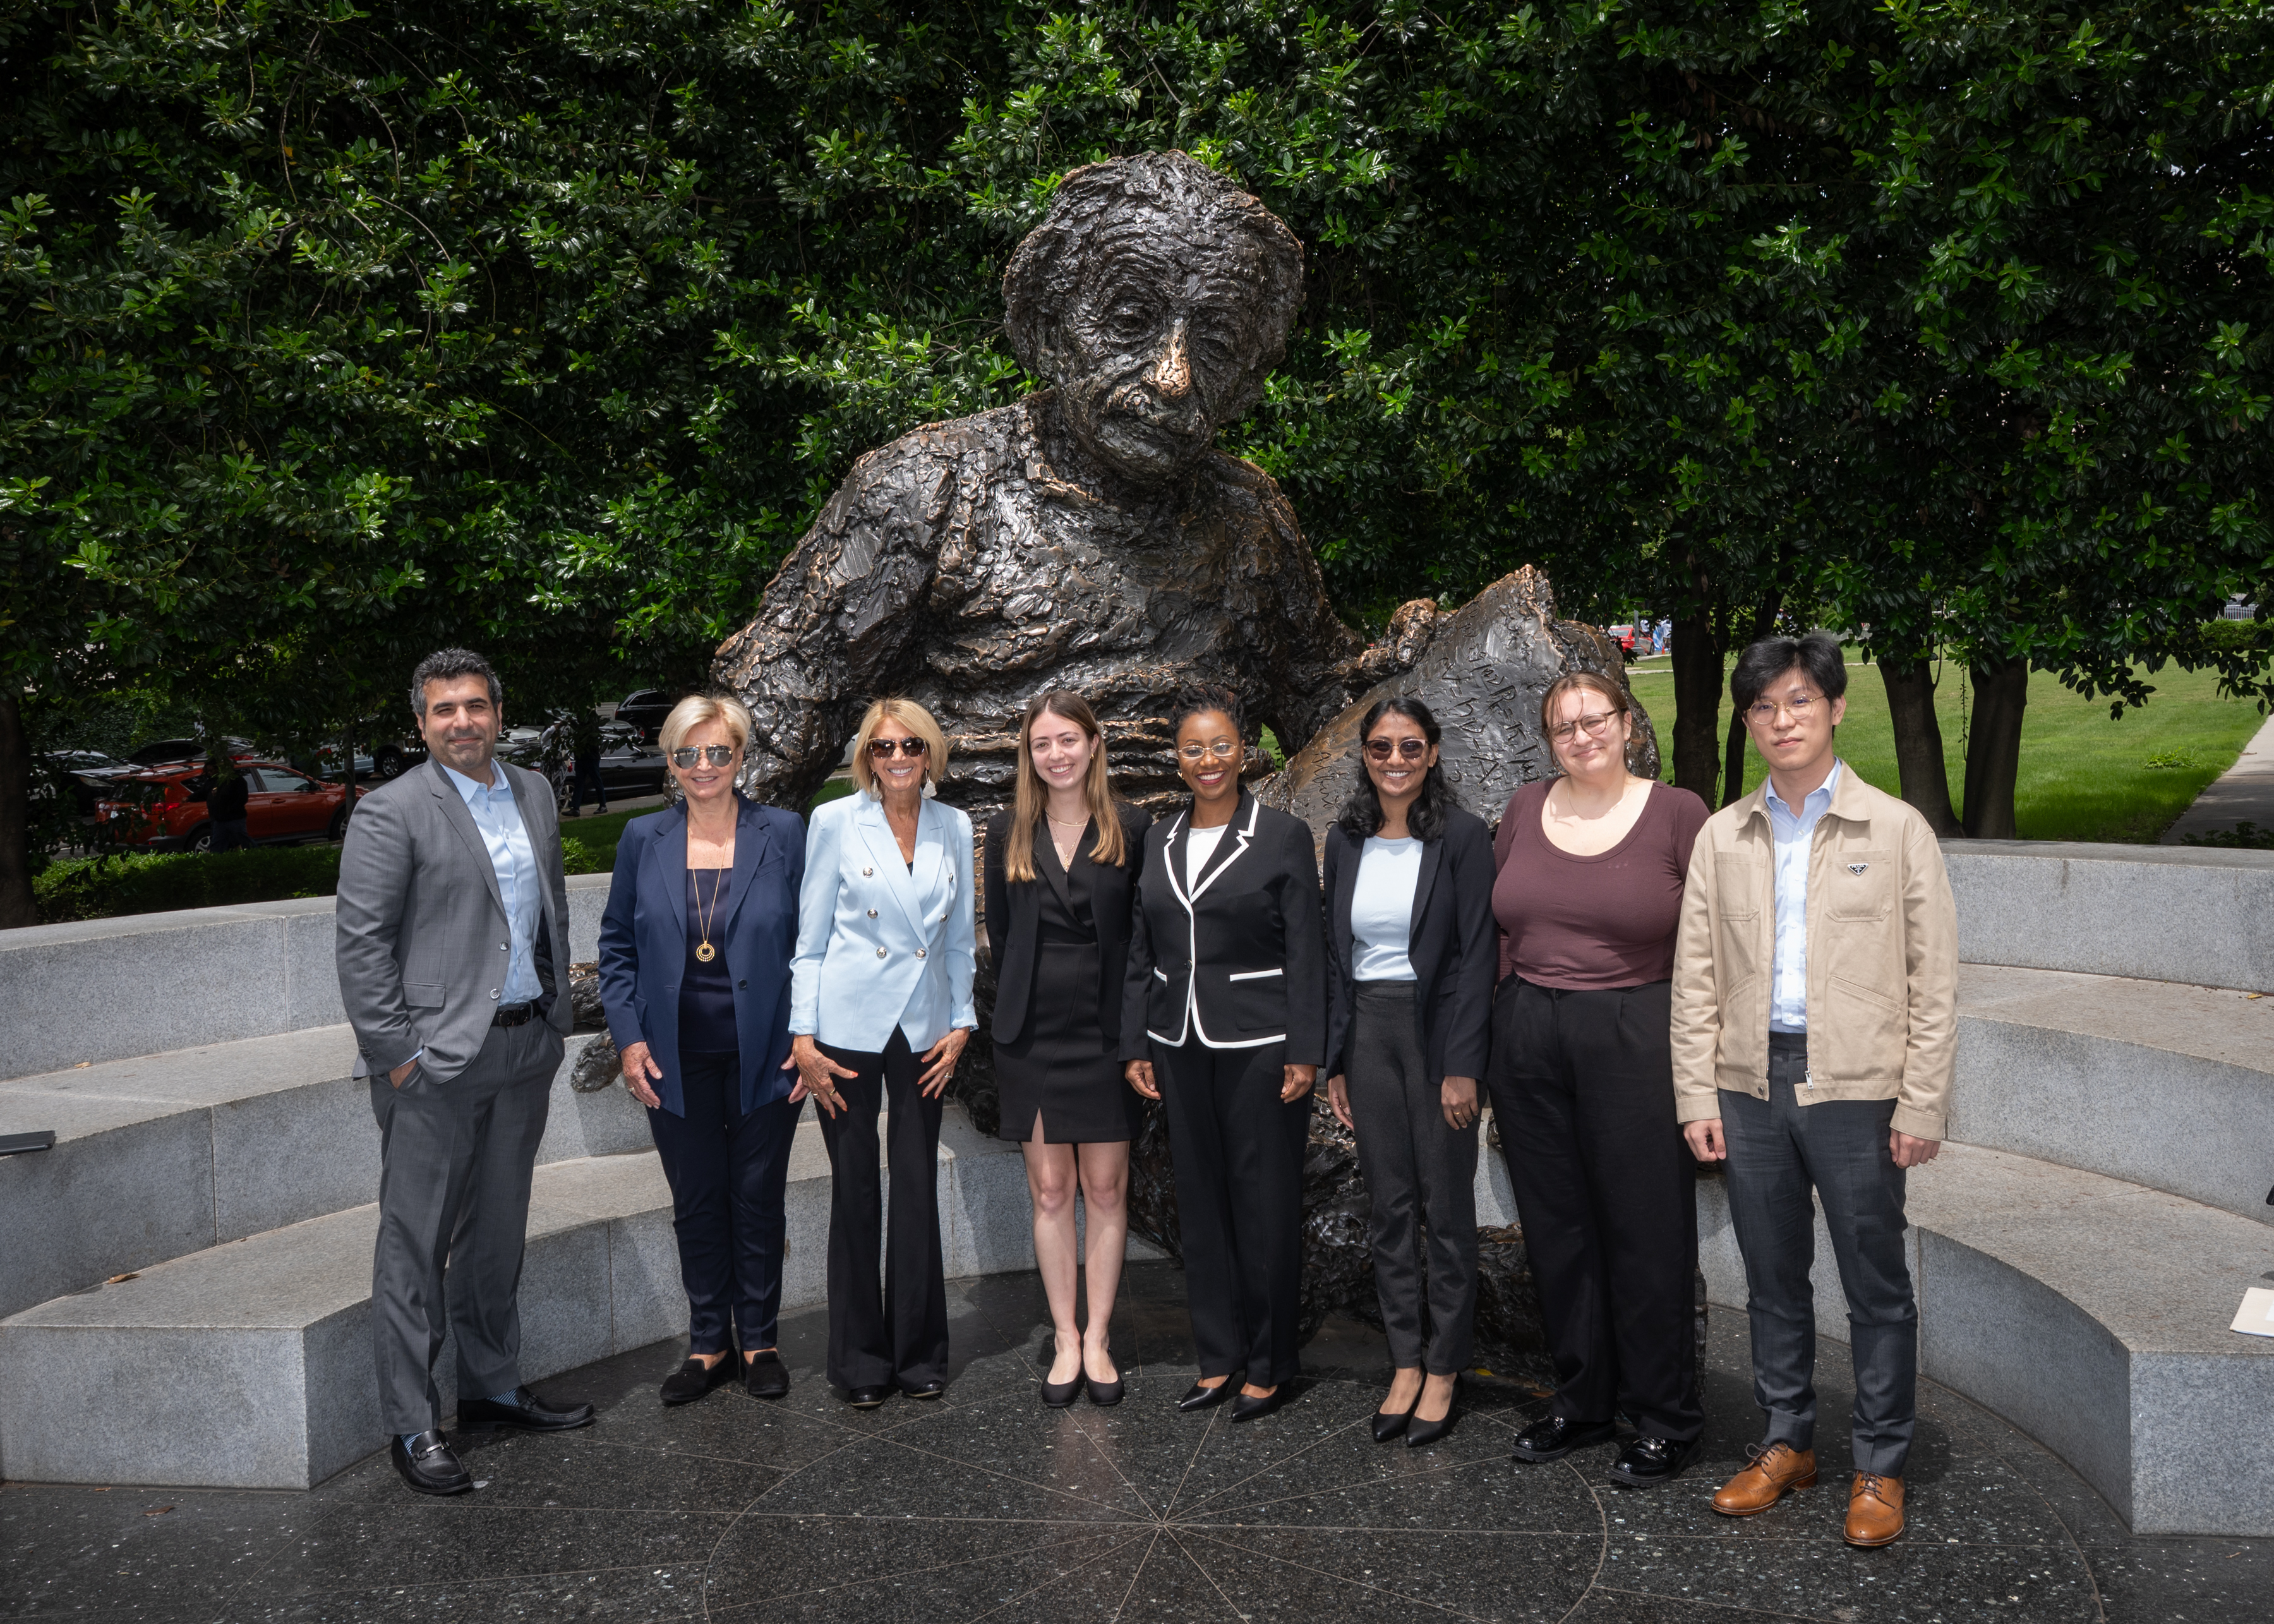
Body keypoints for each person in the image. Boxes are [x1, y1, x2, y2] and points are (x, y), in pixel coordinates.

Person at [1674, 633, 1956, 1548]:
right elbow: (1696, 977)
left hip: (1858, 1088)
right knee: (1771, 1276)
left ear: (1834, 707)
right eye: (1762, 707)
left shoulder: (1896, 828)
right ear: (1748, 721)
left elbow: (1934, 978)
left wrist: (1922, 1101)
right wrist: (1696, 1094)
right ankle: (1786, 1441)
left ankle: (1879, 1460)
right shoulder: (1725, 833)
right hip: (1750, 1084)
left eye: (1797, 701)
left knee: (1875, 1284)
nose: (1780, 720)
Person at [335, 647, 592, 1498]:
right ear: (421, 722)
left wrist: (555, 1013)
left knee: (497, 1231)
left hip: (524, 1047)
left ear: (498, 709)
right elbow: (363, 947)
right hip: (437, 1064)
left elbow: (547, 904)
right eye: (443, 709)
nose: (461, 721)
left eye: (475, 705)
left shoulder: (534, 791)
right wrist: (399, 1057)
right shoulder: (391, 813)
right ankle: (413, 1421)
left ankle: (490, 1384)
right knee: (415, 1245)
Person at [1491, 671, 1711, 1486]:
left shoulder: (1677, 812)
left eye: (1594, 720)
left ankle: (1665, 1416)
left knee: (1646, 1232)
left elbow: (1712, 943)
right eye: (1562, 727)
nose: (1581, 737)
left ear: (1626, 722)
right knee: (1559, 1230)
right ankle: (1584, 1397)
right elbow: (1502, 926)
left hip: (1634, 1030)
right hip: (1528, 1034)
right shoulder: (1523, 808)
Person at [1124, 682, 1325, 1423]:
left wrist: (1308, 1049)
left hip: (1261, 1044)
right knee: (1200, 1204)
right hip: (1177, 1041)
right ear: (1176, 759)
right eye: (1192, 748)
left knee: (1264, 1204)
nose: (1207, 760)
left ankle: (1269, 1365)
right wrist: (1136, 1043)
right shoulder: (1159, 839)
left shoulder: (1280, 835)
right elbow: (1141, 951)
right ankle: (1218, 1359)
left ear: (1244, 753)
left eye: (1220, 746)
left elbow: (1308, 951)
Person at [598, 693, 805, 1406]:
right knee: (697, 1200)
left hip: (768, 1054)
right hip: (672, 1059)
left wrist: (806, 1038)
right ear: (671, 763)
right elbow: (617, 947)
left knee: (756, 1198)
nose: (705, 766)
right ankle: (709, 1343)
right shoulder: (640, 839)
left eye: (719, 751)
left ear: (742, 757)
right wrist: (629, 1042)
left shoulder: (784, 833)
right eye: (689, 754)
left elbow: (816, 944)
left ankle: (761, 1340)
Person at [788, 697, 976, 1408]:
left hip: (926, 1027)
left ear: (930, 754)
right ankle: (860, 1362)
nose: (898, 759)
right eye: (883, 748)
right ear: (866, 757)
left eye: (912, 747)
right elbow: (808, 941)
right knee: (856, 1187)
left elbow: (958, 935)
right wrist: (802, 1037)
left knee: (918, 1182)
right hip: (846, 1028)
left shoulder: (953, 825)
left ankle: (921, 1355)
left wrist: (961, 1022)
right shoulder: (835, 821)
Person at [1321, 696, 1495, 1447]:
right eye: (1382, 748)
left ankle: (1446, 1365)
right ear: (1364, 754)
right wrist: (1335, 1060)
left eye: (1411, 748)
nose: (1396, 762)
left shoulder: (1460, 836)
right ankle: (1404, 1360)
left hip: (1436, 1038)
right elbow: (1336, 958)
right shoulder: (1346, 838)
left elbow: (1479, 955)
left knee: (1446, 1209)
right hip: (1368, 1034)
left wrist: (1464, 1067)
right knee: (1389, 1207)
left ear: (1433, 754)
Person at [984, 690, 1153, 1408]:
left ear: (1093, 743)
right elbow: (999, 932)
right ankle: (1064, 1337)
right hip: (1033, 1034)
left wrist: (1138, 1035)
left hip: (1108, 1033)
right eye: (1041, 743)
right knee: (1051, 1191)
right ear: (1030, 752)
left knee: (1106, 1191)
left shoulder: (1135, 828)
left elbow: (1146, 943)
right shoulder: (1004, 831)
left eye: (1067, 740)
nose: (1055, 754)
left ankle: (1101, 1336)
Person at [203, 752, 251, 851]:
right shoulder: (220, 781)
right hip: (221, 817)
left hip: (234, 817)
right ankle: (215, 859)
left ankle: (253, 853)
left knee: (242, 838)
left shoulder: (237, 780)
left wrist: (231, 809)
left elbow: (242, 798)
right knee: (218, 840)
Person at [570, 707, 609, 819]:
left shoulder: (592, 729)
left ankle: (602, 805)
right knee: (579, 783)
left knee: (596, 781)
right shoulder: (587, 728)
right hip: (582, 758)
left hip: (590, 758)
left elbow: (585, 735)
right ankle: (575, 808)